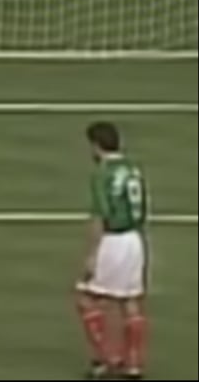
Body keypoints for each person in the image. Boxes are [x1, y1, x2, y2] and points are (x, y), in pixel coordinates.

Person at [75, 122, 149, 381]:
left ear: (96, 146)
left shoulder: (102, 174)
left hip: (113, 240)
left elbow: (100, 216)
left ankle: (106, 359)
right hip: (135, 240)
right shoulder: (133, 169)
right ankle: (134, 365)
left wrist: (92, 255)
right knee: (130, 301)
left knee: (85, 298)